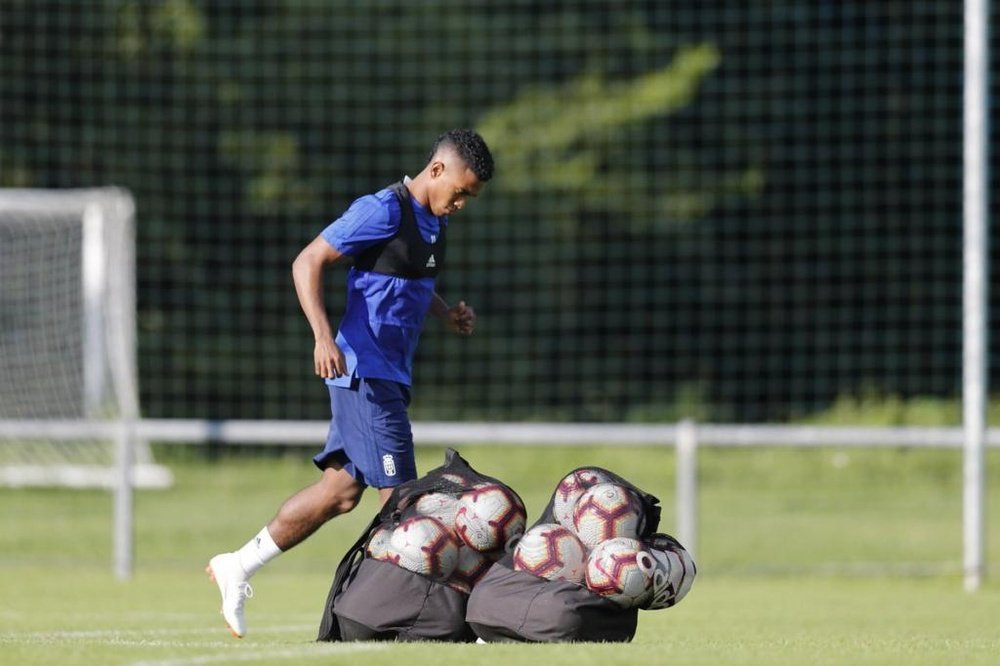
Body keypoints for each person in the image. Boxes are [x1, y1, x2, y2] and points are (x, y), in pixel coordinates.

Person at [206, 129, 494, 638]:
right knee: (401, 501)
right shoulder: (382, 209)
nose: (462, 204)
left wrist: (447, 314)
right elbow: (308, 261)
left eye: (470, 197)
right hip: (365, 373)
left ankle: (239, 564)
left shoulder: (432, 222)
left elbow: (405, 280)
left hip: (388, 376)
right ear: (436, 171)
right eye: (461, 192)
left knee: (339, 492)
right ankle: (393, 619)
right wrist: (323, 337)